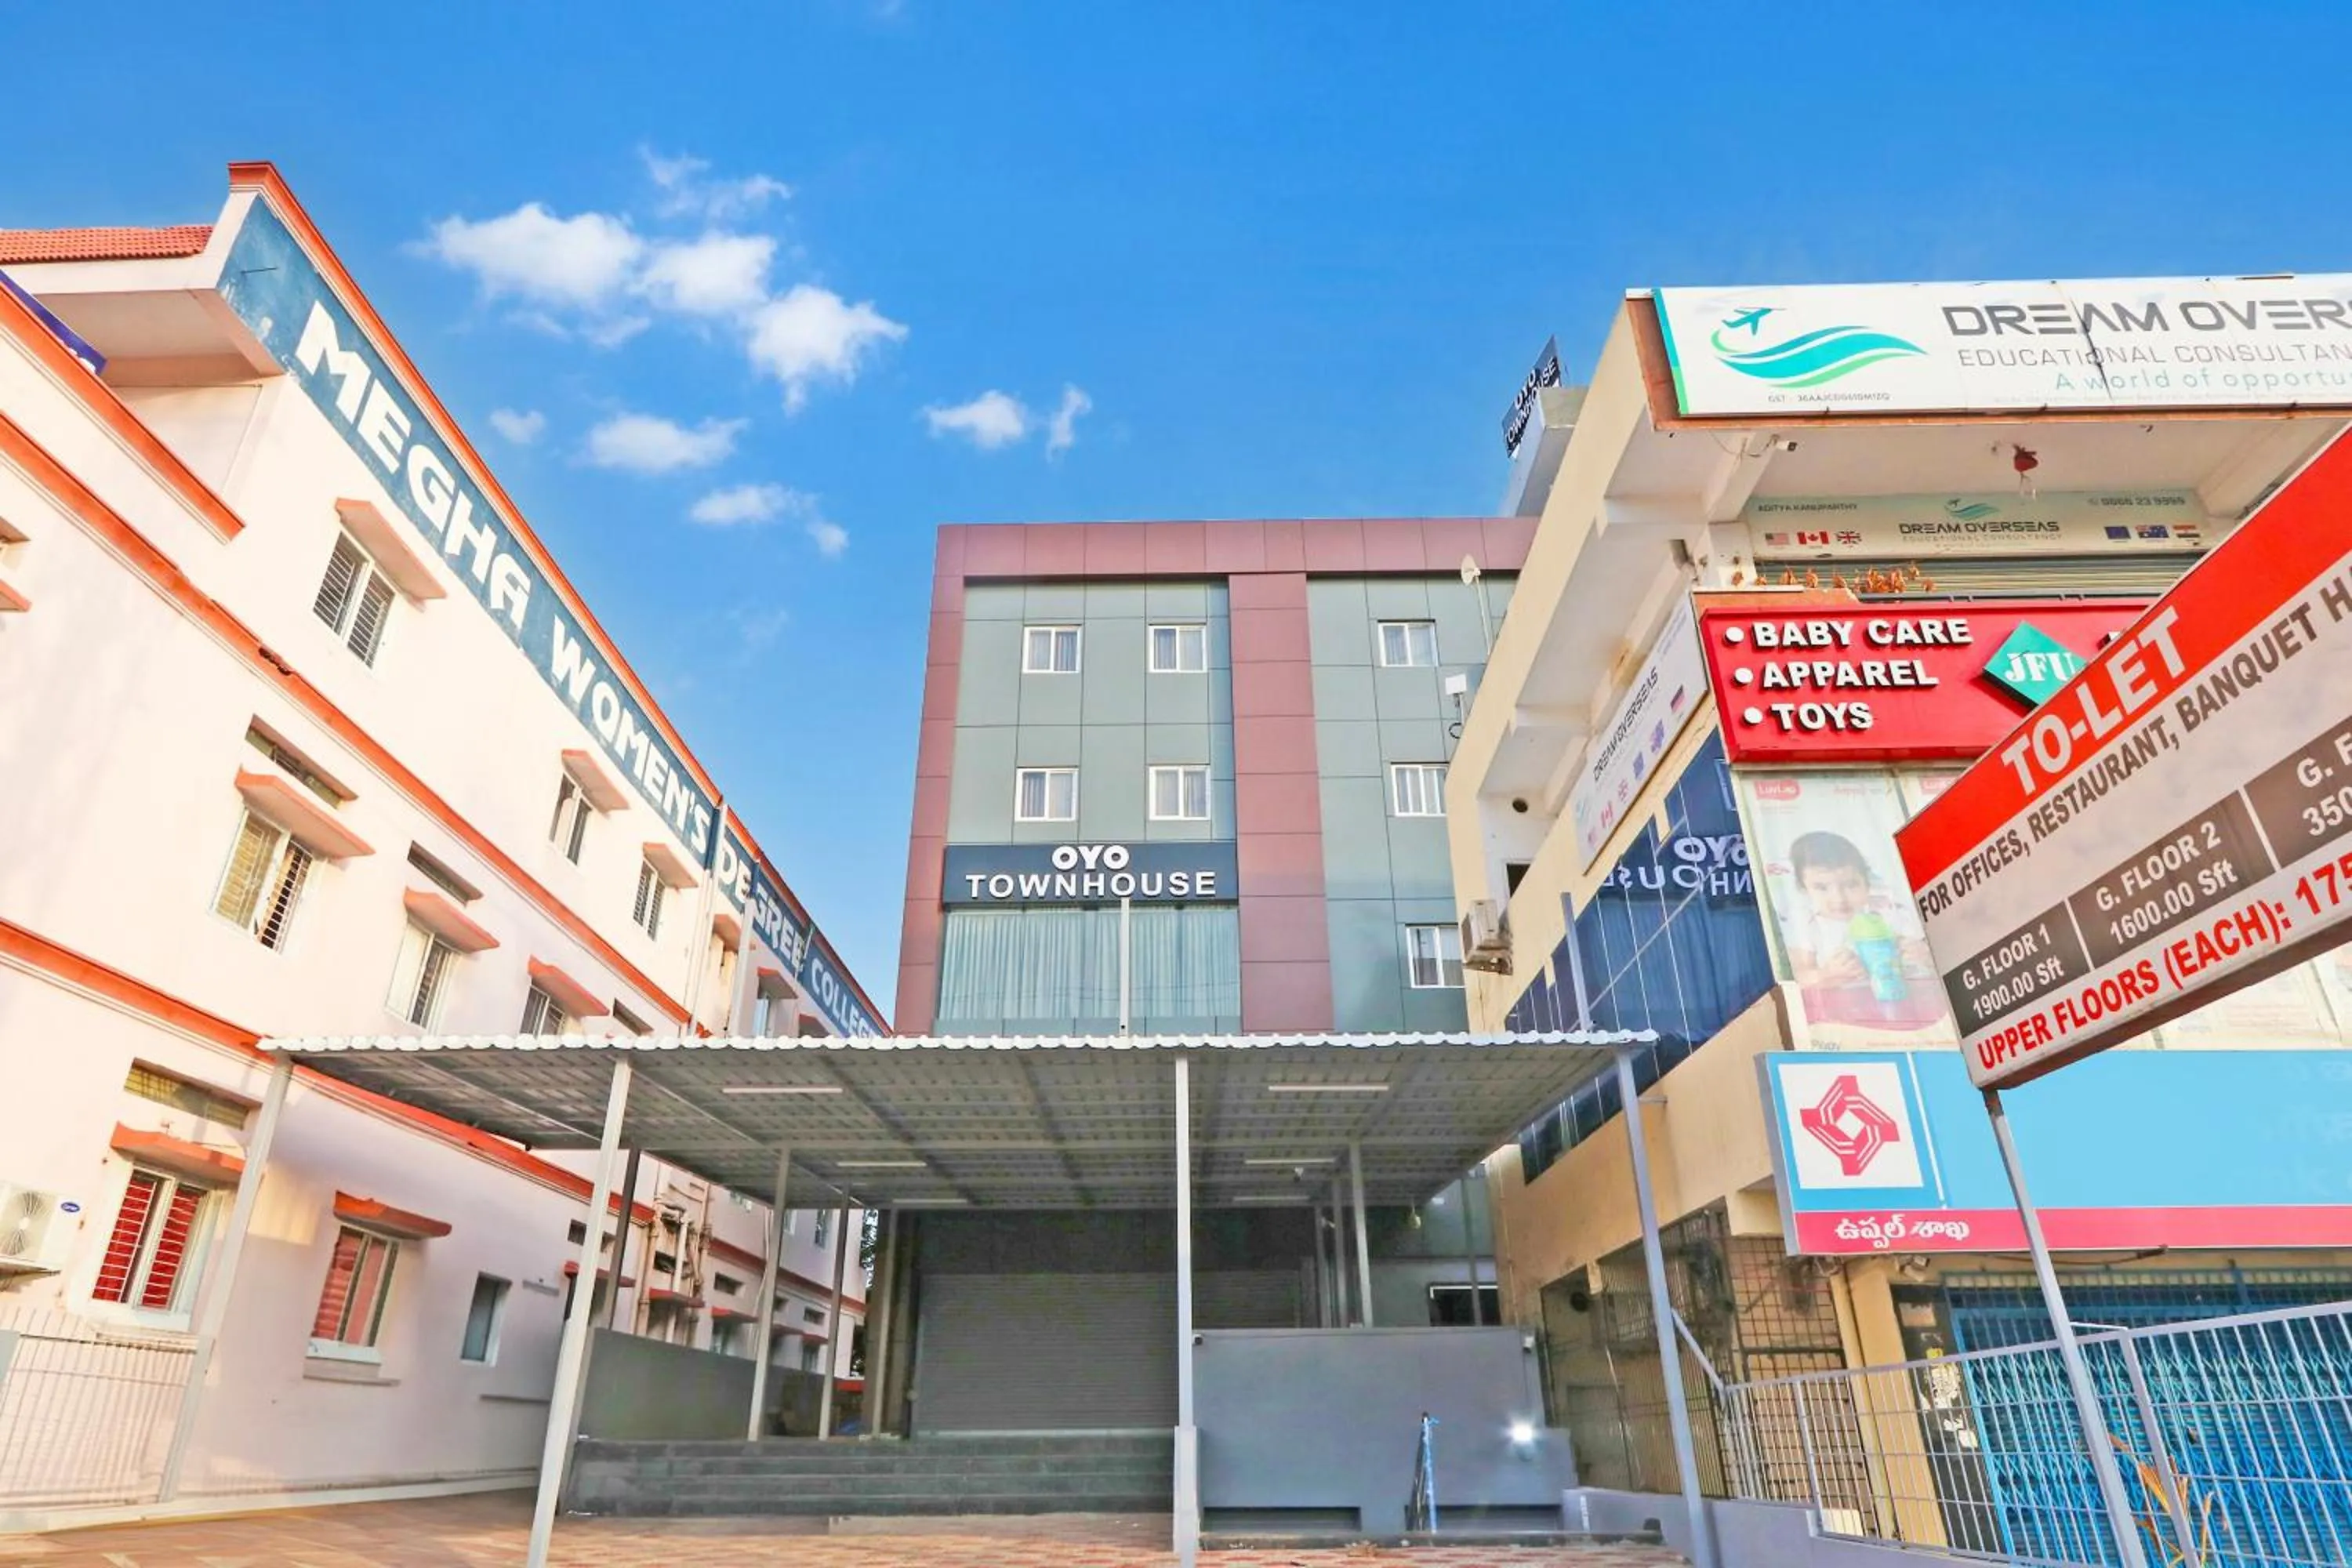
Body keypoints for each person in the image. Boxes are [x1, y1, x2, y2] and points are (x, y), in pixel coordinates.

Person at [1784, 830, 1933, 993]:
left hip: (1903, 1001)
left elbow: (1936, 952)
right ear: (1804, 890)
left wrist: (1925, 955)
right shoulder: (1809, 926)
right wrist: (1825, 975)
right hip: (1841, 1011)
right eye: (1822, 888)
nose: (1839, 898)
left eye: (1851, 885)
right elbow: (1797, 978)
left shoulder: (1890, 914)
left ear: (1867, 883)